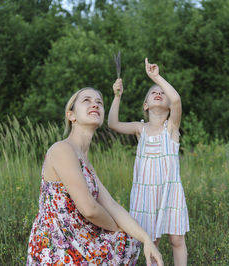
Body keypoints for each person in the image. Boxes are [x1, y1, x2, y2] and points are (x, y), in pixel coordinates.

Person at [27, 87, 163, 266]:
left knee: (132, 240)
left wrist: (145, 239)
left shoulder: (85, 161)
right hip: (57, 246)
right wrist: (118, 230)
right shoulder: (62, 149)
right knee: (126, 239)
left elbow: (111, 205)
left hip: (79, 240)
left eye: (99, 102)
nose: (95, 104)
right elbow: (89, 208)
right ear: (71, 115)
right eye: (87, 101)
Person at [108, 58, 189, 266]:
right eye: (154, 92)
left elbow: (177, 100)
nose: (159, 93)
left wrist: (156, 77)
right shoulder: (139, 129)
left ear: (169, 107)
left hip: (170, 192)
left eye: (162, 93)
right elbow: (113, 124)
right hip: (145, 195)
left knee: (177, 239)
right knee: (150, 242)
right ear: (146, 105)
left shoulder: (171, 128)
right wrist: (117, 96)